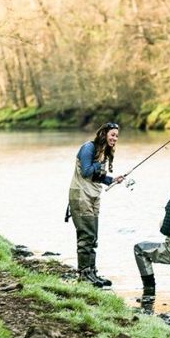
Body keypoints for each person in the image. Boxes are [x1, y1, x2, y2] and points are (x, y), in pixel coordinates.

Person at [67, 122, 124, 287]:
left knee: (93, 237)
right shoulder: (88, 148)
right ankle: (84, 275)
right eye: (112, 135)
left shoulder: (102, 152)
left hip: (93, 196)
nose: (115, 138)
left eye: (117, 136)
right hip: (80, 195)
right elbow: (86, 171)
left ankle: (92, 273)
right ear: (104, 134)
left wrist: (112, 180)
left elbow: (96, 177)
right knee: (86, 236)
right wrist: (100, 164)